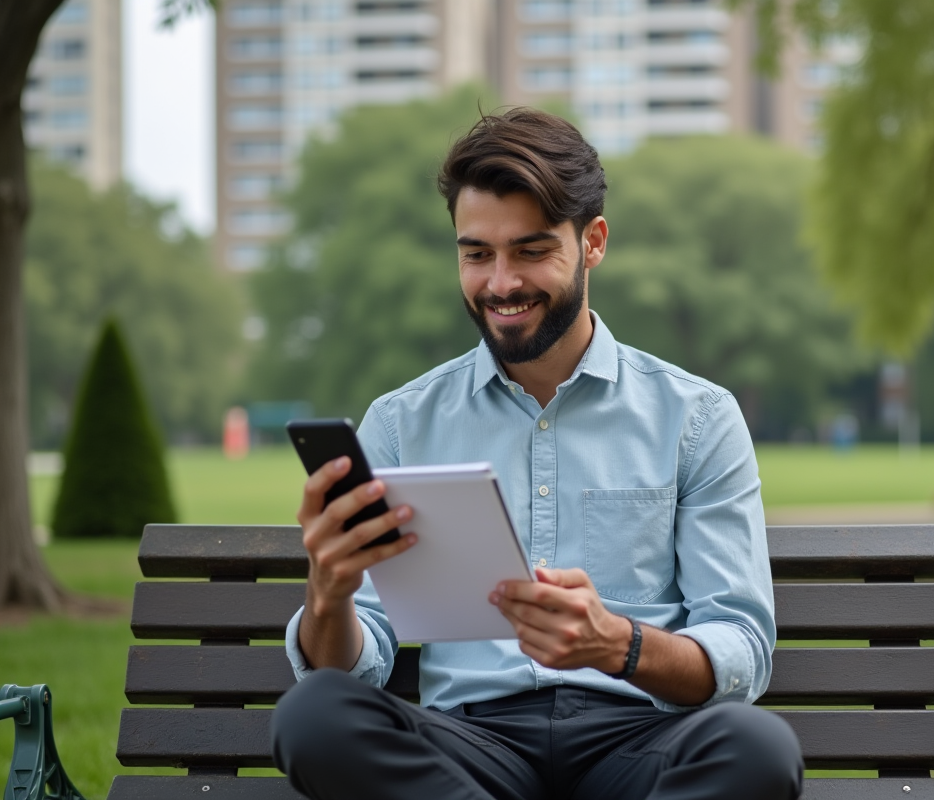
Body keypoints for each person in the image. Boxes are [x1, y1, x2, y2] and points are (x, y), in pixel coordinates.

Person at [269, 108, 804, 800]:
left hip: (639, 738)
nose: (500, 284)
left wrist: (619, 643)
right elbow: (353, 663)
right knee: (313, 715)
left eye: (530, 250)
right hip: (469, 744)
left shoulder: (696, 417)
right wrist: (330, 596)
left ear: (594, 243)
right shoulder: (401, 424)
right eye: (476, 254)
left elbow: (740, 646)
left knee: (756, 747)